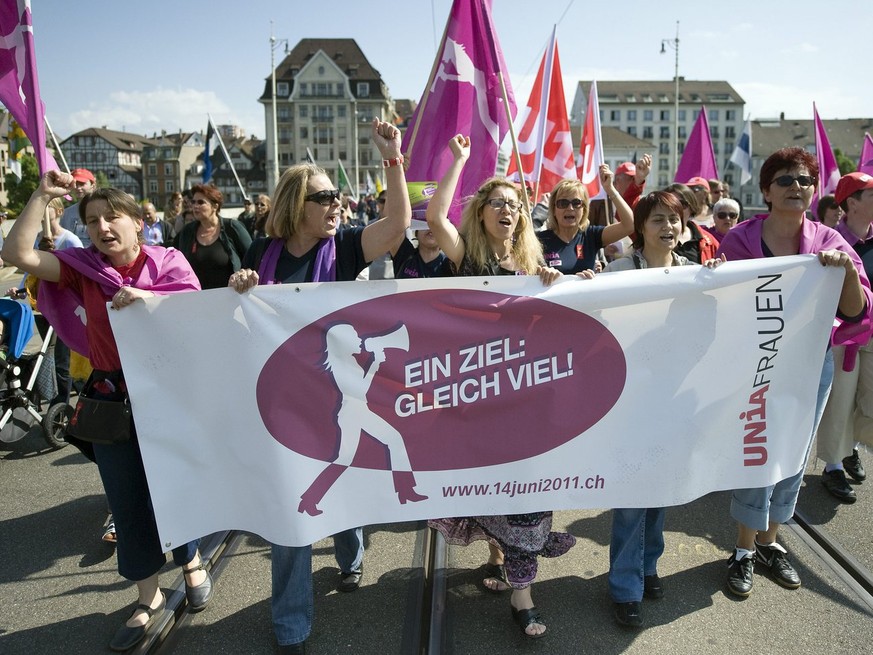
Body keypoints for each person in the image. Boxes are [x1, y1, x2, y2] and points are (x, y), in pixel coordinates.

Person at [2, 171, 214, 652]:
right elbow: (16, 255)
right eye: (92, 220)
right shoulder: (81, 268)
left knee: (174, 486)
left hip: (169, 397)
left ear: (138, 222)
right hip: (111, 399)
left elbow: (198, 313)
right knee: (126, 497)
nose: (101, 227)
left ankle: (190, 559)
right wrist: (41, 196)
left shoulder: (169, 260)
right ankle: (148, 595)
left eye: (111, 216)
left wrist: (149, 299)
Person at [229, 119, 409, 655]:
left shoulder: (348, 247)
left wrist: (392, 158)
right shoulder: (261, 253)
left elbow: (397, 225)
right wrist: (239, 290)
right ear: (295, 203)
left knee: (342, 483)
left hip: (337, 398)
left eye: (337, 196)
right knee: (291, 514)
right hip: (284, 403)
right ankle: (291, 623)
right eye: (325, 196)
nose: (337, 204)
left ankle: (350, 552)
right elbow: (238, 322)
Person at [425, 134, 573, 640]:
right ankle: (501, 557)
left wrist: (552, 284)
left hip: (525, 404)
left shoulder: (534, 267)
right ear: (482, 213)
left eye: (515, 205)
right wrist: (459, 161)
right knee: (489, 491)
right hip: (474, 404)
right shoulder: (466, 255)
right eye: (498, 203)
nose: (507, 211)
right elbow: (434, 220)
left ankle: (522, 596)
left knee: (527, 495)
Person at [716, 147, 871, 598]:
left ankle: (770, 543)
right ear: (766, 190)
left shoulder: (829, 241)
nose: (796, 187)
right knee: (758, 446)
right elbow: (720, 305)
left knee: (795, 451)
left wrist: (843, 274)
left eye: (804, 180)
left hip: (810, 363)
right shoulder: (741, 240)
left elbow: (857, 309)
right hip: (756, 364)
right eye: (784, 180)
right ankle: (744, 549)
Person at [601, 191, 723, 627]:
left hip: (674, 402)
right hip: (629, 402)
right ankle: (625, 585)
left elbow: (710, 333)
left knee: (660, 492)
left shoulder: (697, 275)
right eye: (658, 220)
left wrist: (717, 287)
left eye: (675, 220)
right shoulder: (615, 272)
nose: (668, 227)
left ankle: (648, 565)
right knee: (632, 495)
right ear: (641, 228)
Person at [816, 172, 873, 502]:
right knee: (840, 399)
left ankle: (849, 445)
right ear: (851, 202)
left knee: (867, 397)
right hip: (843, 335)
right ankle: (833, 466)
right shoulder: (830, 242)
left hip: (872, 332)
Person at [537, 167, 634, 275]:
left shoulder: (591, 236)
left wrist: (610, 189)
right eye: (563, 203)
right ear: (554, 209)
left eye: (576, 203)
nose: (570, 208)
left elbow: (629, 225)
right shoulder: (539, 240)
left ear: (584, 209)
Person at [175, 184, 251, 289]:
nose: (195, 206)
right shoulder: (187, 232)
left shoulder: (233, 227)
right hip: (198, 299)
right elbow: (180, 264)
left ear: (215, 206)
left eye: (201, 202)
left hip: (231, 297)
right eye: (193, 202)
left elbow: (253, 258)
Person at [665, 183, 720, 264]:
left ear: (691, 208)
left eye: (682, 204)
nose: (676, 209)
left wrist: (715, 266)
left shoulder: (709, 241)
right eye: (670, 204)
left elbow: (722, 271)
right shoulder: (652, 236)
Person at [59, 168, 97, 247]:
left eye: (82, 184)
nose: (78, 188)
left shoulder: (104, 210)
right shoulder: (66, 213)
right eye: (76, 184)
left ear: (92, 185)